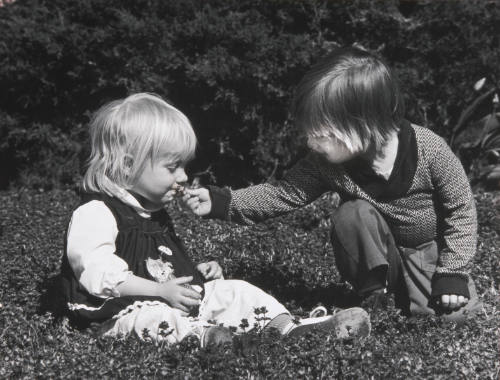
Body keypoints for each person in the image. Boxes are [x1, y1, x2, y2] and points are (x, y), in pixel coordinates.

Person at [184, 47, 483, 321]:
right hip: (381, 259)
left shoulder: (431, 149)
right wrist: (224, 201)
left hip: (429, 254)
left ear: (361, 124)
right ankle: (374, 296)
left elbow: (462, 213)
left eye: (320, 134)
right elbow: (283, 193)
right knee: (352, 213)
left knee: (456, 318)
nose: (310, 143)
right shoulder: (326, 165)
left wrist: (452, 272)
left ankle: (418, 293)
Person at [60, 92, 371, 347]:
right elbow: (96, 273)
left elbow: (156, 266)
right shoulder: (96, 212)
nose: (182, 177)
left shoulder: (154, 214)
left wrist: (194, 273)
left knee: (235, 290)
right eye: (172, 167)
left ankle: (290, 330)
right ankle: (209, 342)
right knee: (153, 320)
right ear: (128, 166)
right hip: (116, 317)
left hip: (172, 303)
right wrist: (159, 292)